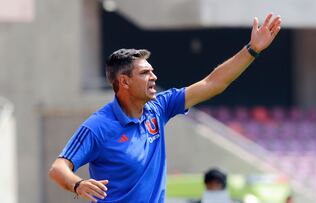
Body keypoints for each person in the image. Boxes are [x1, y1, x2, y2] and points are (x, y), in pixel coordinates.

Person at [48, 13, 282, 203]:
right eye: (144, 73)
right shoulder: (98, 126)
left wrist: (252, 50)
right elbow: (58, 168)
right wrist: (78, 185)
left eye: (152, 71)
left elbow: (212, 83)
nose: (154, 77)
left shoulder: (158, 108)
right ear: (124, 82)